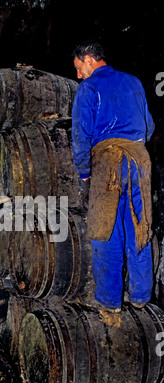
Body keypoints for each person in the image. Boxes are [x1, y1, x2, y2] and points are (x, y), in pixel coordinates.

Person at [71, 40, 155, 314]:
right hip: (140, 160)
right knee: (139, 226)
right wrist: (134, 147)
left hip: (108, 162)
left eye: (78, 68)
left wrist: (84, 172)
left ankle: (109, 302)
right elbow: (149, 125)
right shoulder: (134, 82)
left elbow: (81, 135)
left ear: (88, 59)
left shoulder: (89, 87)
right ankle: (141, 296)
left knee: (105, 230)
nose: (78, 75)